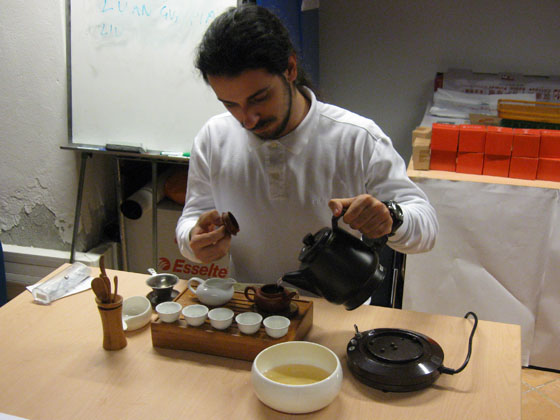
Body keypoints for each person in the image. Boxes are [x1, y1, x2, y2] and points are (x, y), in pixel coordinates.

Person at [176, 4, 438, 287]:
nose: (247, 119)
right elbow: (191, 217)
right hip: (250, 310)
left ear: (290, 68)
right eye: (230, 104)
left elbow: (427, 228)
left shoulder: (357, 139)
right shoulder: (213, 138)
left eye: (260, 98)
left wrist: (392, 218)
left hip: (334, 313)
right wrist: (194, 240)